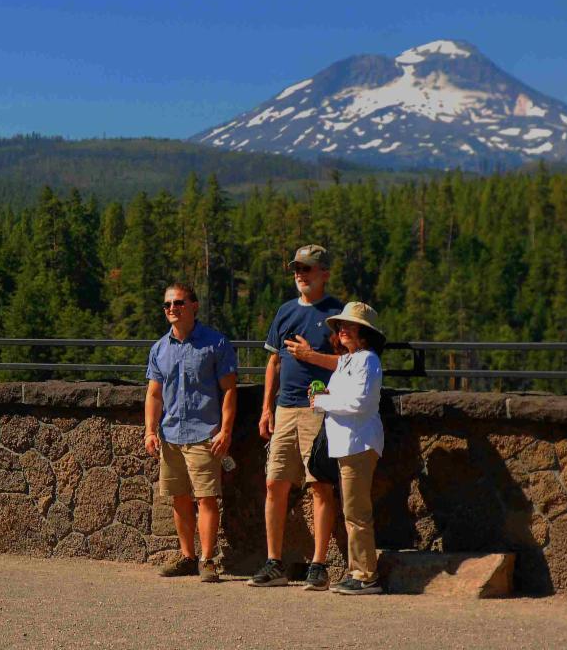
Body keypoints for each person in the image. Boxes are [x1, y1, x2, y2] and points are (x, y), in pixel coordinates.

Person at [250, 244, 343, 590]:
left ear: (324, 274)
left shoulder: (337, 314)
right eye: (297, 270)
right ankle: (274, 562)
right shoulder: (285, 311)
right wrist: (265, 408)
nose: (300, 275)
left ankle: (319, 566)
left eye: (307, 269)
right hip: (285, 409)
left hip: (320, 408)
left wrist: (311, 355)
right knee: (275, 484)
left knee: (320, 485)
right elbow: (273, 361)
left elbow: (348, 363)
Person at [144, 282, 238, 583]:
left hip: (204, 434)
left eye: (179, 303)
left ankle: (208, 560)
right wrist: (150, 430)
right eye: (167, 304)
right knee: (179, 499)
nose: (172, 308)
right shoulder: (159, 349)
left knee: (207, 498)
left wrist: (225, 430)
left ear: (194, 306)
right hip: (170, 435)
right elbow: (154, 394)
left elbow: (229, 391)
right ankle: (188, 556)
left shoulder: (215, 343)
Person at [310, 302, 386, 595]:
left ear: (364, 333)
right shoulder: (347, 361)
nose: (342, 329)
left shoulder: (367, 360)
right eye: (341, 325)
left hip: (358, 443)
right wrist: (324, 397)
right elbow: (343, 400)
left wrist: (323, 402)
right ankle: (359, 571)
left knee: (356, 510)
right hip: (348, 443)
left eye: (349, 326)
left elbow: (359, 403)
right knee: (351, 509)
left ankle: (366, 574)